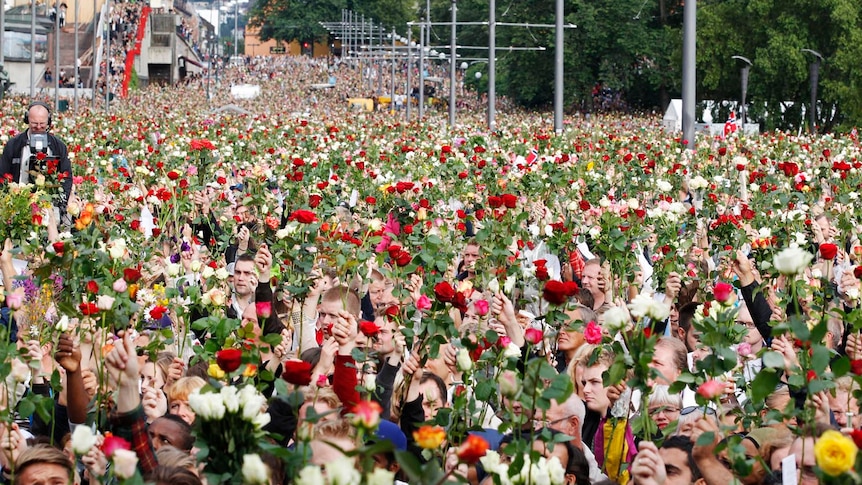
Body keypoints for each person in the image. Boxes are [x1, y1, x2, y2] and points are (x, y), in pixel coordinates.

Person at [0, 102, 73, 211]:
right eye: (34, 123)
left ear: (48, 121)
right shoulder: (13, 145)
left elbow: (66, 176)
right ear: (27, 120)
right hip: (18, 203)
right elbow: (2, 175)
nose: (38, 127)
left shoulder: (58, 146)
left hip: (49, 205)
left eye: (42, 124)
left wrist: (61, 204)